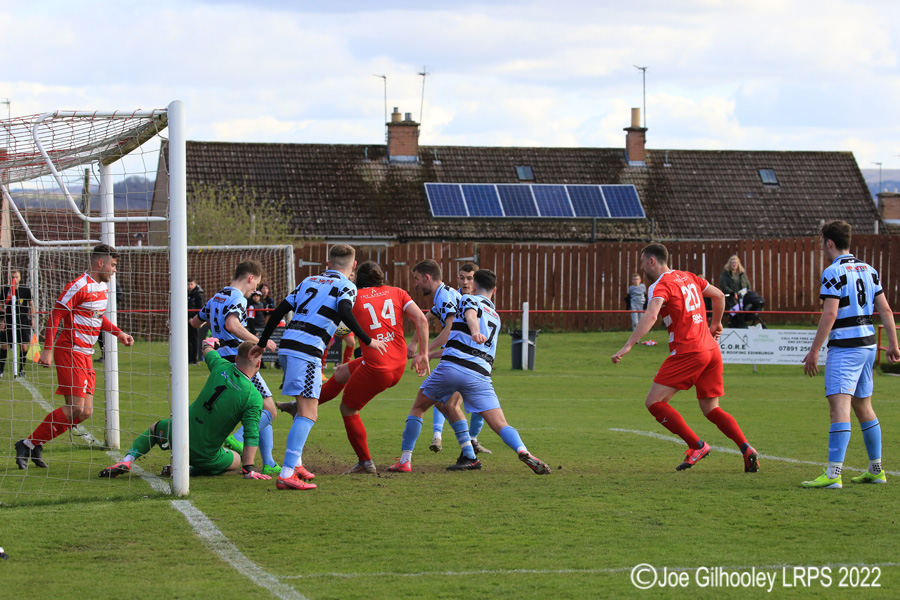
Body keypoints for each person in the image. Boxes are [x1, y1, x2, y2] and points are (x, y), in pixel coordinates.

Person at [611, 243, 759, 473]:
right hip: (711, 351)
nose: (641, 268)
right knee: (712, 409)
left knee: (654, 402)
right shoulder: (688, 276)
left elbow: (651, 315)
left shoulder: (660, 285)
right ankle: (747, 448)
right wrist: (716, 323)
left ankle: (697, 446)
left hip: (689, 351)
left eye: (642, 263)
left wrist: (628, 345)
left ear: (652, 261)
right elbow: (719, 295)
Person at [389, 269, 550, 475]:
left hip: (453, 368)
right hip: (480, 374)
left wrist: (474, 331)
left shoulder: (468, 300)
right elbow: (463, 343)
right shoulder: (496, 317)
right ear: (495, 290)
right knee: (500, 423)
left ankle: (404, 460)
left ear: (474, 286)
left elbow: (471, 315)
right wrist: (429, 355)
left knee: (419, 408)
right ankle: (522, 450)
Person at [254, 243, 387, 491]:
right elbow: (346, 312)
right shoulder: (346, 286)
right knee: (308, 413)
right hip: (306, 351)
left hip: (289, 345)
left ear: (328, 264)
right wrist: (367, 339)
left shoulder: (309, 280)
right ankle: (286, 473)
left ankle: (297, 464)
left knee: (304, 408)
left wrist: (262, 343)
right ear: (353, 266)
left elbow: (282, 308)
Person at [279, 261, 431, 473]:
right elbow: (422, 320)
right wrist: (423, 354)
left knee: (348, 408)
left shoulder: (354, 296)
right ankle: (298, 407)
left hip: (378, 366)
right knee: (341, 372)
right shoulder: (397, 292)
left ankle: (365, 462)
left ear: (357, 279)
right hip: (396, 361)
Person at [15, 244, 135, 470]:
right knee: (76, 409)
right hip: (69, 350)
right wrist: (47, 349)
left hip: (85, 354)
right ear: (101, 263)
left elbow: (98, 318)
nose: (115, 270)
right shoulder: (79, 285)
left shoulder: (102, 288)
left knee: (85, 412)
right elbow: (56, 315)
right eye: (113, 265)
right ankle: (27, 444)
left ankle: (33, 443)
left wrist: (118, 332)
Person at [800, 220, 900, 489]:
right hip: (867, 346)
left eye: (821, 242)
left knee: (839, 409)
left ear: (829, 243)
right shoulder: (869, 269)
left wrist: (814, 350)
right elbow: (886, 310)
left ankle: (833, 475)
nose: (821, 247)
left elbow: (830, 313)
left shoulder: (833, 271)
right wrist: (893, 344)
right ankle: (876, 469)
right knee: (863, 406)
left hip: (846, 347)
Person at [99, 340, 271, 480]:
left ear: (235, 359)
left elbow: (206, 345)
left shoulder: (220, 366)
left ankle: (127, 460)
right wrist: (248, 469)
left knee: (154, 429)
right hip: (205, 453)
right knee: (235, 459)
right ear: (258, 363)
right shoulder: (253, 397)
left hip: (176, 434)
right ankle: (188, 469)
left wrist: (211, 343)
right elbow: (251, 434)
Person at [189, 261, 281, 476]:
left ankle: (268, 461)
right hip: (239, 362)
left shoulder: (217, 296)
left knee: (260, 412)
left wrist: (213, 326)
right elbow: (232, 324)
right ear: (250, 278)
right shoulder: (238, 298)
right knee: (269, 410)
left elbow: (194, 322)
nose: (254, 290)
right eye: (255, 285)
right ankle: (236, 441)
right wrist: (260, 341)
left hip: (220, 362)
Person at [404, 261, 491, 455]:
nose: (416, 284)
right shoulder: (445, 295)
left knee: (443, 401)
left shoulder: (445, 296)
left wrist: (424, 352)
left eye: (417, 279)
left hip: (464, 356)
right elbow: (425, 318)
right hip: (471, 355)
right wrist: (414, 343)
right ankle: (466, 444)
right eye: (463, 277)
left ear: (427, 278)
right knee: (445, 402)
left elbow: (450, 331)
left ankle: (467, 445)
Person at [0, 269, 35, 378]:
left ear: (20, 278)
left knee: (23, 346)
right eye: (12, 277)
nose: (14, 279)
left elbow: (31, 304)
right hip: (9, 320)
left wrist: (32, 317)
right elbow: (1, 305)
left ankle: (21, 370)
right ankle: (1, 370)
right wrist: (2, 320)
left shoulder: (25, 290)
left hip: (22, 320)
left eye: (16, 277)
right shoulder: (6, 290)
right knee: (4, 345)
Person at [187, 277, 205, 364]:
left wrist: (194, 319)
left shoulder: (198, 295)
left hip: (194, 321)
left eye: (191, 284)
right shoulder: (186, 294)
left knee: (194, 340)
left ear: (195, 284)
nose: (189, 286)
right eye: (188, 284)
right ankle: (188, 359)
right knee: (187, 340)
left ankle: (194, 359)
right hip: (186, 320)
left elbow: (201, 309)